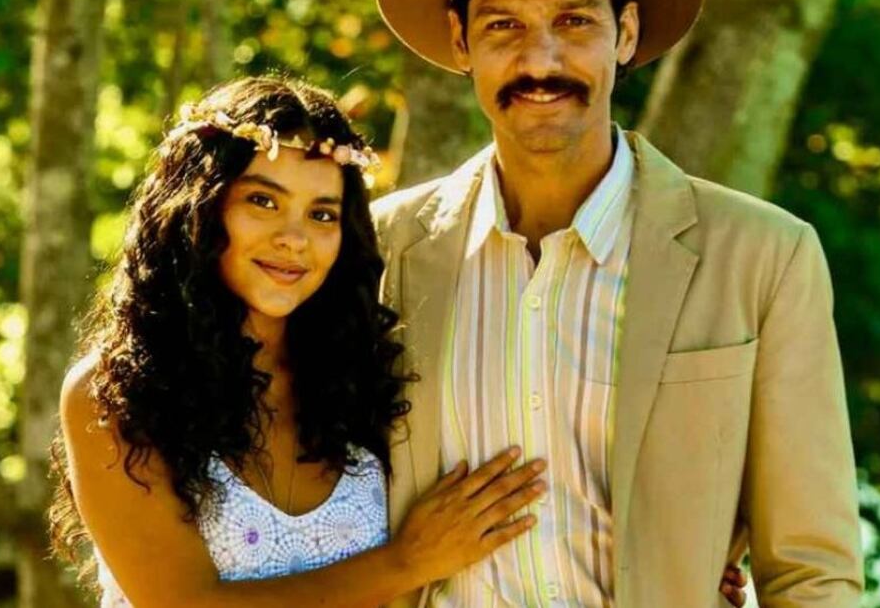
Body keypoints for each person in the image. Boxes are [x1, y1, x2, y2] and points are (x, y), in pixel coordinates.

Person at [371, 0, 864, 606]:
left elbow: (812, 572)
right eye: (502, 25)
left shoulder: (764, 255)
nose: (539, 59)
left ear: (625, 32)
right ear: (461, 43)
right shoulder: (378, 251)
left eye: (574, 21)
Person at [50, 77, 549, 607]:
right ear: (198, 205)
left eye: (322, 214)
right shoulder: (116, 394)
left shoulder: (368, 372)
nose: (294, 239)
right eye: (263, 201)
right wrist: (407, 561)